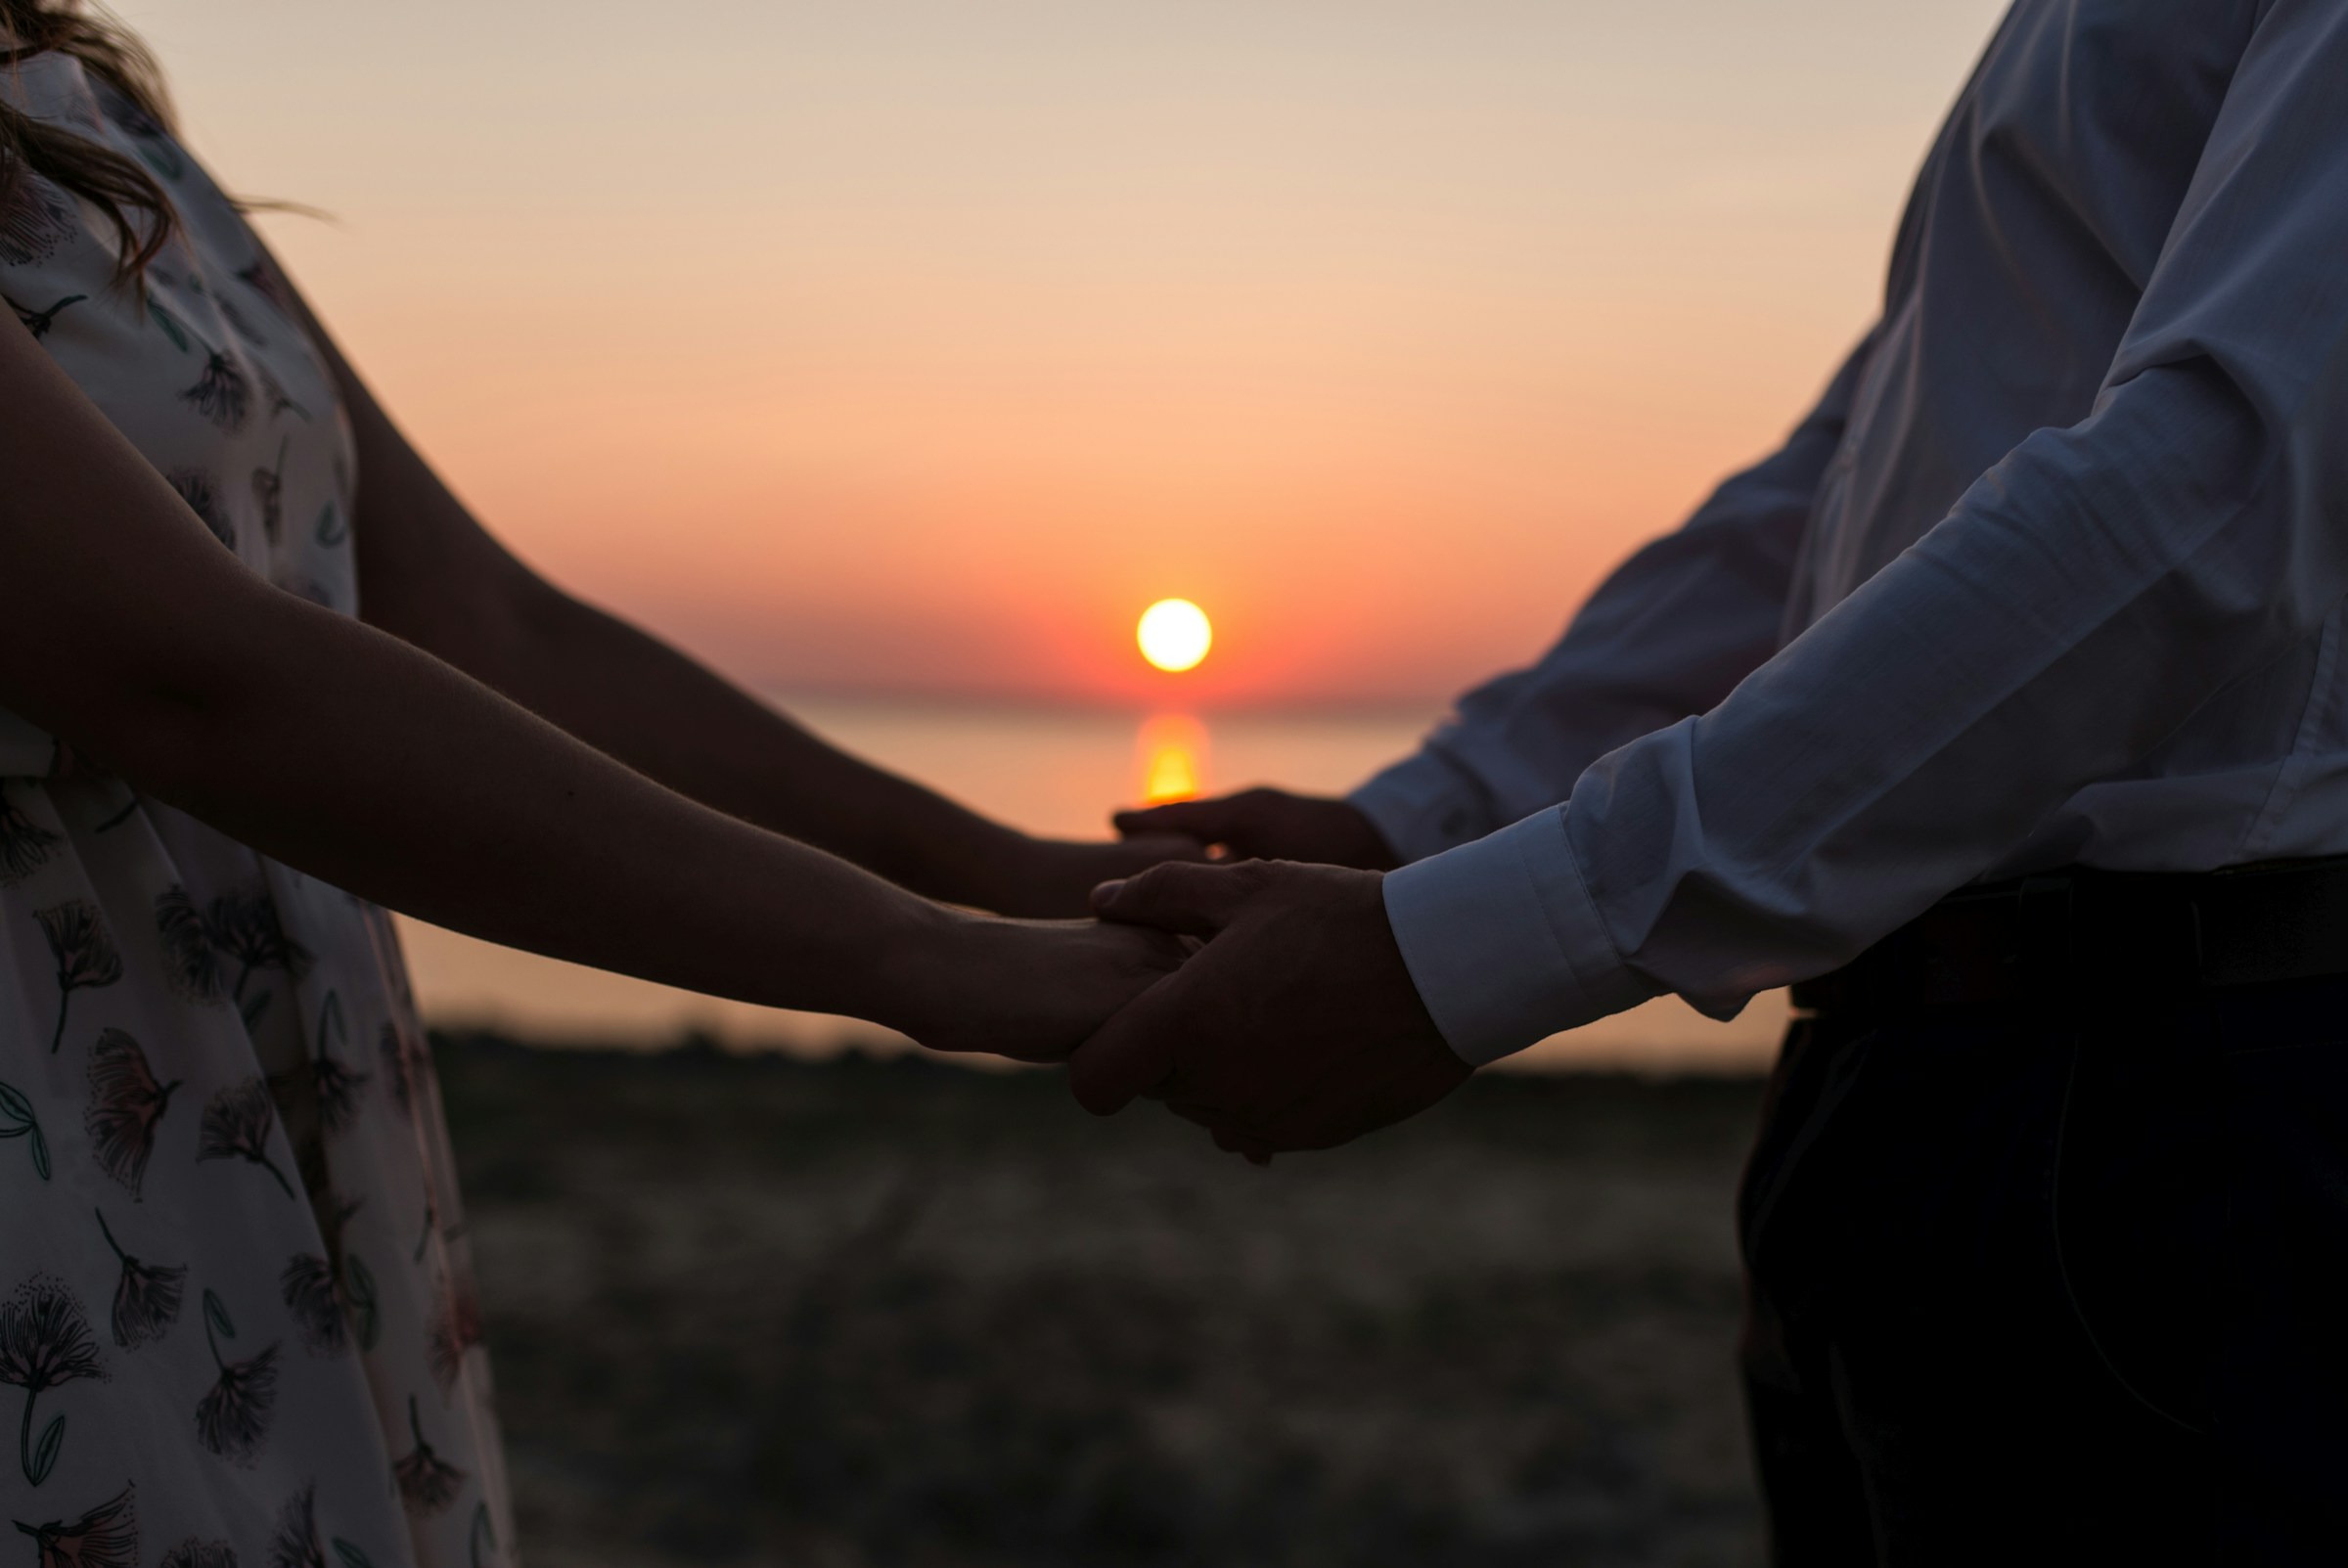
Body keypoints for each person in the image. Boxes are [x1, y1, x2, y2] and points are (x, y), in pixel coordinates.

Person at [1093, 1, 2348, 1559]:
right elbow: (1849, 494)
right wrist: (1421, 824)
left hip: (2189, 1110)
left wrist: (1483, 949)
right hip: (1912, 1086)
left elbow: (2221, 492)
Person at [0, 6, 1193, 1562]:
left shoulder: (80, 98)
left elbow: (492, 630)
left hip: (261, 1144)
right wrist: (931, 965)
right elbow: (199, 678)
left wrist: (1022, 876)